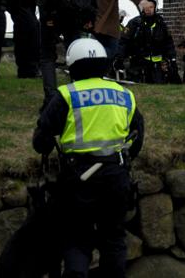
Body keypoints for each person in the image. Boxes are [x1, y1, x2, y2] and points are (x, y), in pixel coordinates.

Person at [32, 38, 144, 278]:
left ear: (72, 67)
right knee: (113, 239)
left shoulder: (66, 95)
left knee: (77, 239)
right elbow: (137, 138)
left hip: (78, 179)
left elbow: (40, 143)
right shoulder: (124, 94)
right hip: (116, 176)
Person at [116, 0, 179, 84]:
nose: (148, 10)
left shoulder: (161, 24)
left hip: (157, 68)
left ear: (155, 7)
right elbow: (123, 41)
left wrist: (172, 60)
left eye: (151, 7)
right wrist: (119, 58)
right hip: (137, 66)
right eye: (146, 7)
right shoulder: (134, 23)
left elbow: (168, 43)